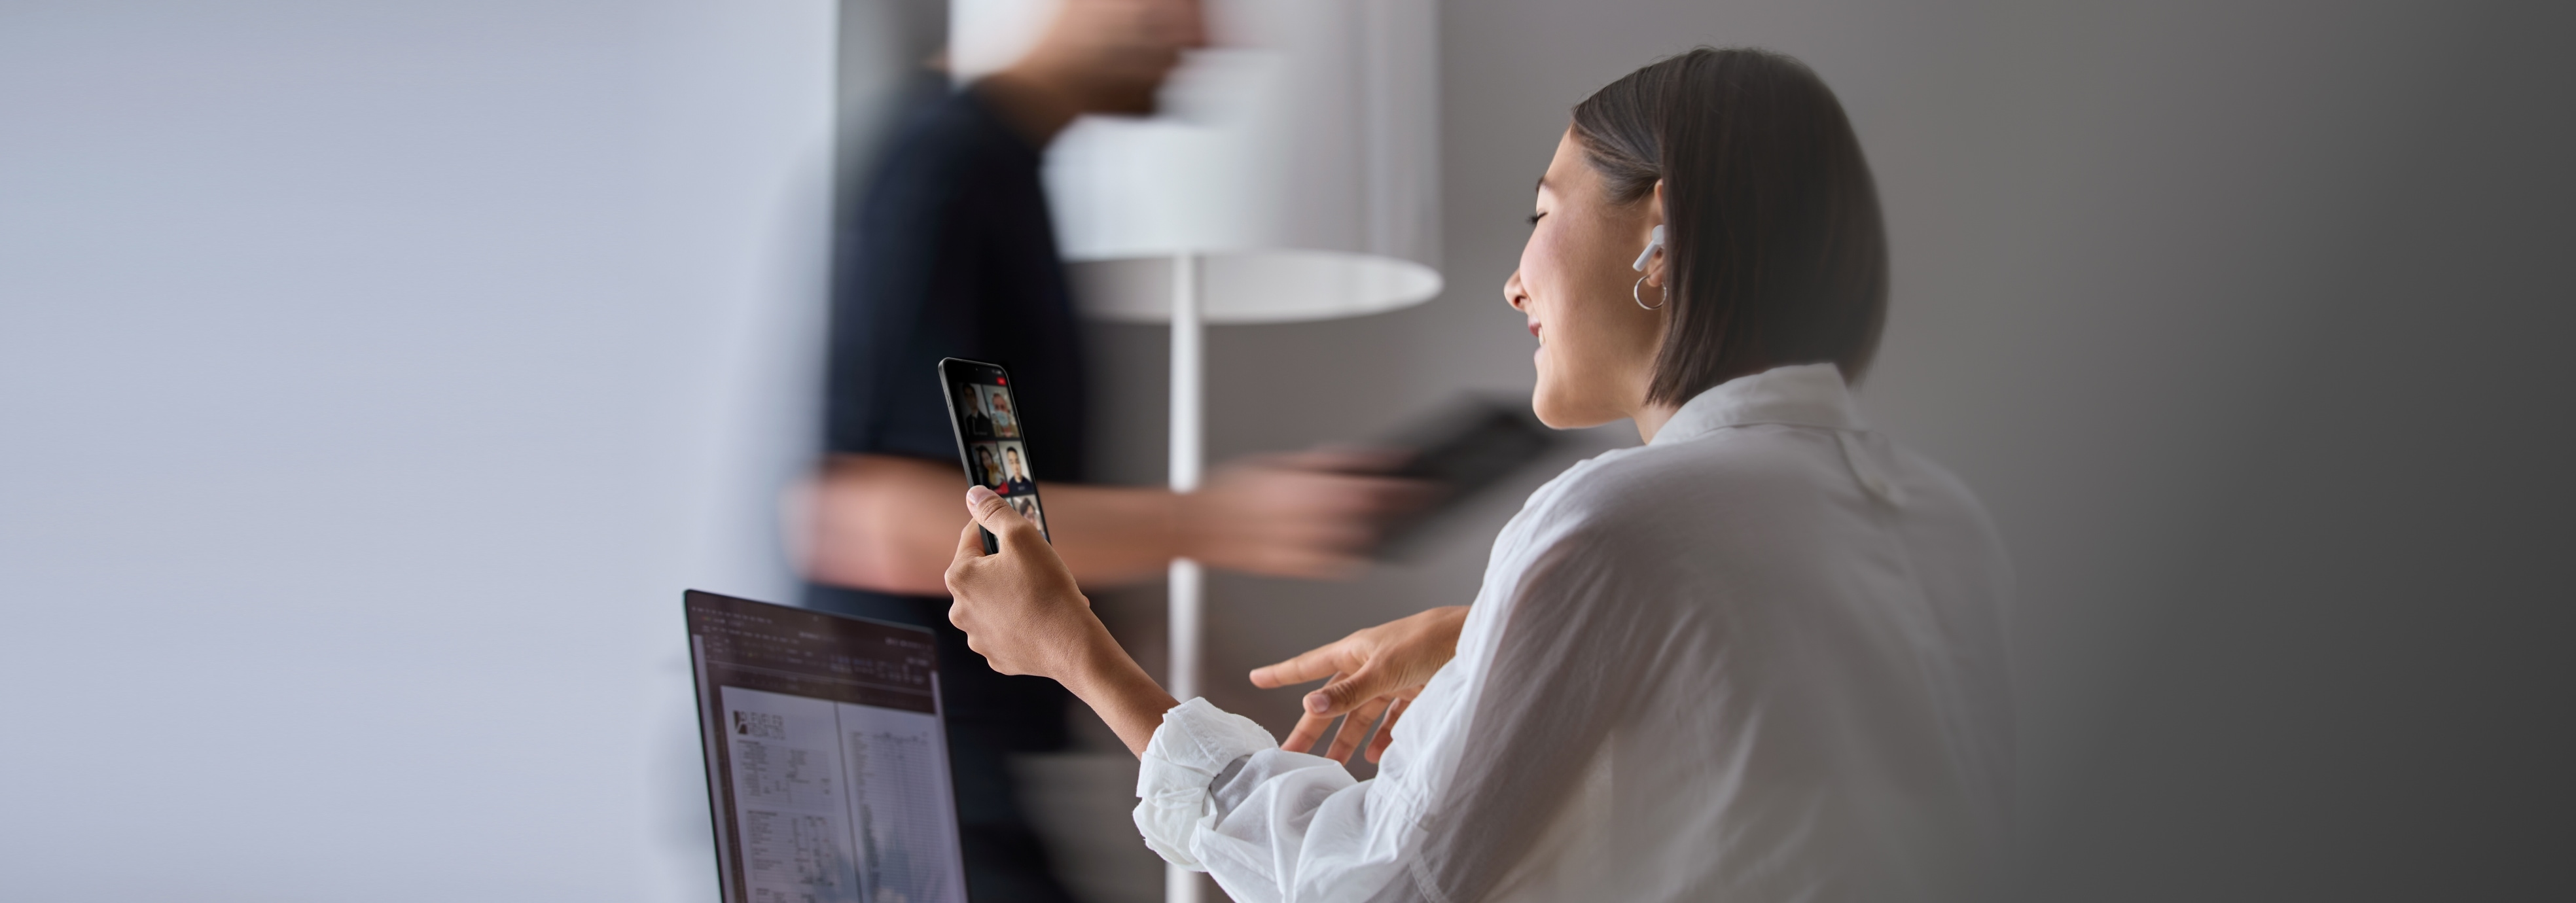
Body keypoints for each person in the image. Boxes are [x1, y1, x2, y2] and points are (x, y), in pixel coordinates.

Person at [940, 48, 2014, 903]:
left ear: (1663, 232)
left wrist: (1078, 657)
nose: (1514, 281)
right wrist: (1491, 631)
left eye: (1543, 213)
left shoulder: (1616, 523)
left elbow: (1384, 886)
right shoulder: (1935, 516)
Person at [796, 0, 1422, 899]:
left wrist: (1228, 711)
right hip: (889, 778)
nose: (1207, 41)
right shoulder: (943, 163)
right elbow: (865, 516)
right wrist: (1219, 520)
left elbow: (1012, 516)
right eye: (1187, 7)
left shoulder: (1005, 170)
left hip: (944, 765)